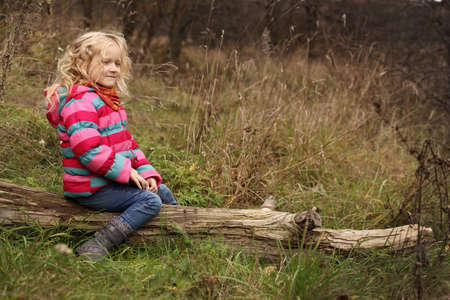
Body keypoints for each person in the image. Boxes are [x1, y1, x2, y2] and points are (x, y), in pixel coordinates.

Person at [45, 31, 178, 261]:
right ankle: (99, 243)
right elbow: (89, 152)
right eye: (105, 62)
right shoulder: (81, 104)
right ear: (82, 64)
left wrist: (146, 173)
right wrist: (128, 173)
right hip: (91, 188)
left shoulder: (107, 99)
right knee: (150, 200)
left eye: (117, 63)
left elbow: (129, 144)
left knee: (160, 190)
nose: (114, 68)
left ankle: (182, 233)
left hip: (108, 181)